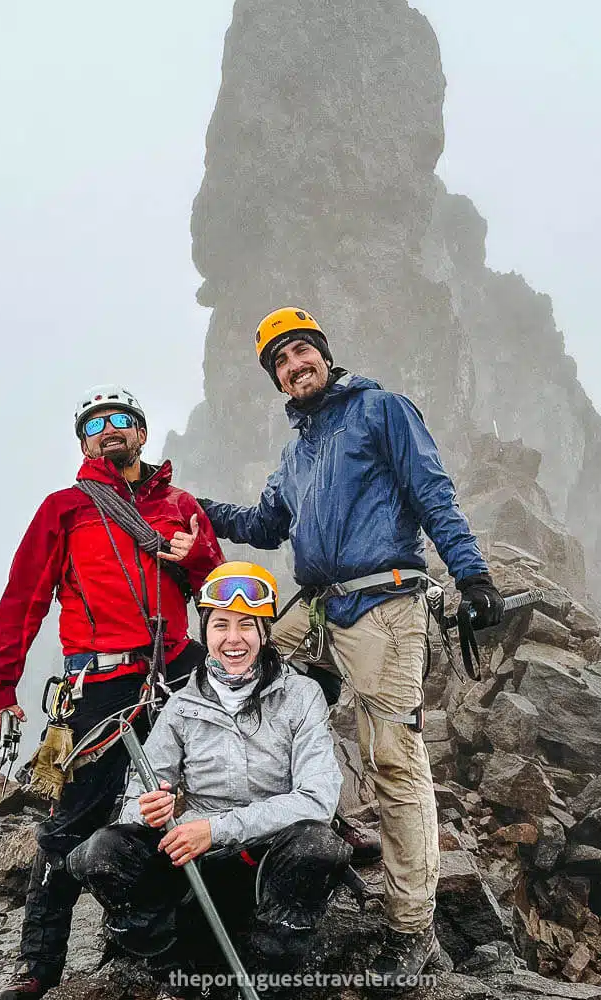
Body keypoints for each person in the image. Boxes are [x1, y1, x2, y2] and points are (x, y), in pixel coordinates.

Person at [198, 308, 505, 992]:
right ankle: (307, 834)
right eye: (279, 361)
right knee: (247, 689)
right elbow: (265, 523)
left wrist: (470, 572)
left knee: (393, 759)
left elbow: (432, 491)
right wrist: (193, 506)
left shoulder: (381, 409)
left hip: (385, 605)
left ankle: (411, 928)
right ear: (275, 377)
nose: (293, 365)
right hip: (317, 609)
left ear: (324, 355)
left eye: (301, 351)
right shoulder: (298, 450)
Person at [0, 384, 225, 1000]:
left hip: (175, 666)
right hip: (100, 682)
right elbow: (23, 600)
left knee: (216, 789)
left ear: (141, 433)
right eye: (94, 426)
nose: (108, 430)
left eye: (121, 420)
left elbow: (219, 593)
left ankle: (203, 932)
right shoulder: (64, 509)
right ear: (85, 443)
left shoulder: (179, 505)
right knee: (73, 822)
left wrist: (195, 557)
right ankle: (38, 967)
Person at [67, 561, 352, 979]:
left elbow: (317, 801)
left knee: (317, 844)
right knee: (102, 852)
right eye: (220, 625)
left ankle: (270, 966)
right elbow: (133, 804)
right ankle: (169, 965)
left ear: (264, 633)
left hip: (268, 859)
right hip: (194, 867)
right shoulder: (181, 706)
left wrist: (216, 830)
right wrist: (147, 811)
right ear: (205, 632)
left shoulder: (302, 696)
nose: (233, 639)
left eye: (246, 626)